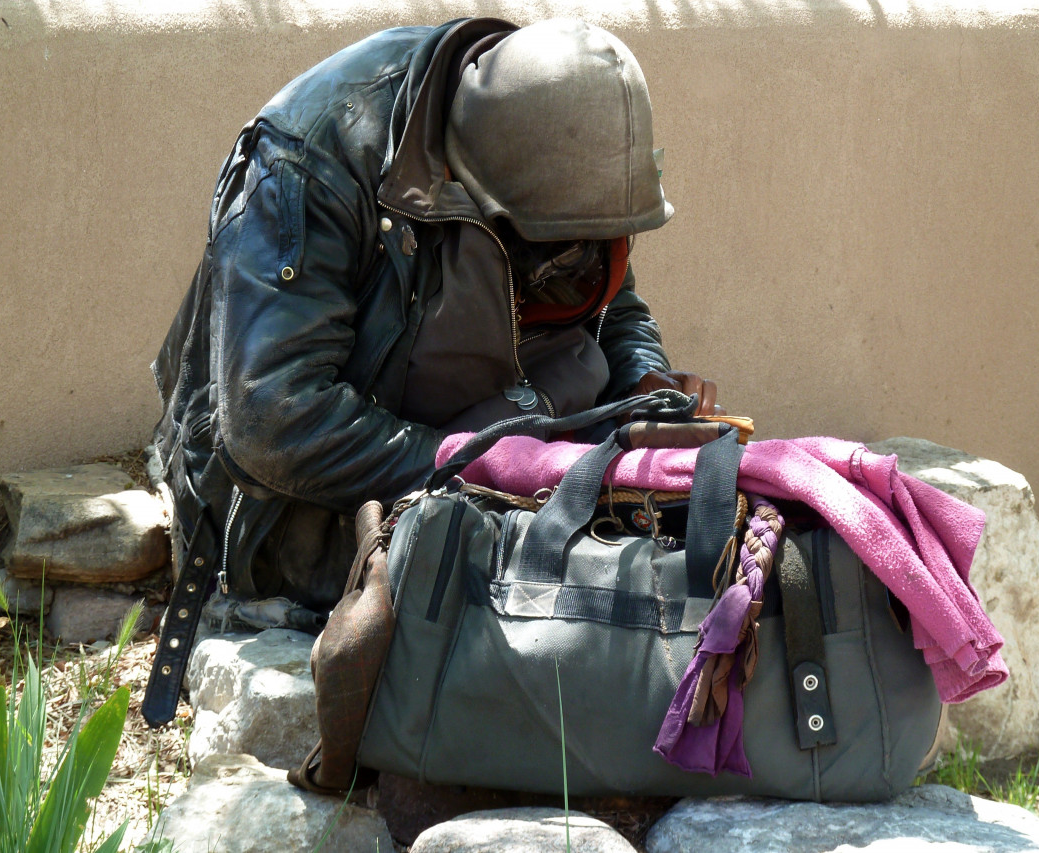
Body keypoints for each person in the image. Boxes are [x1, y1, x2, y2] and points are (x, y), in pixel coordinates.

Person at [143, 16, 719, 724]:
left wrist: (644, 385)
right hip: (309, 503)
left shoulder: (550, 126)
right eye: (552, 244)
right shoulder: (311, 157)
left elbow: (610, 299)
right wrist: (485, 468)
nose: (575, 258)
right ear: (474, 189)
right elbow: (273, 422)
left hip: (496, 455)